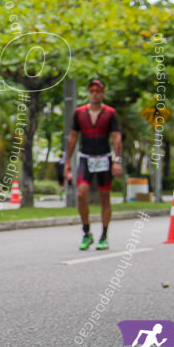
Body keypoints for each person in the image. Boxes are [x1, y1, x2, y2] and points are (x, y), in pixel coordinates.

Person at [65, 79, 122, 251]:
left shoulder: (110, 113)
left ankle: (104, 236)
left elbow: (116, 137)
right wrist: (67, 160)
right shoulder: (79, 113)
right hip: (86, 158)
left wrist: (117, 161)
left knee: (104, 197)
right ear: (89, 93)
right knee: (81, 194)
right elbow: (73, 137)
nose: (95, 94)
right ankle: (86, 232)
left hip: (104, 158)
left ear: (103, 93)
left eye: (98, 91)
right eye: (92, 91)